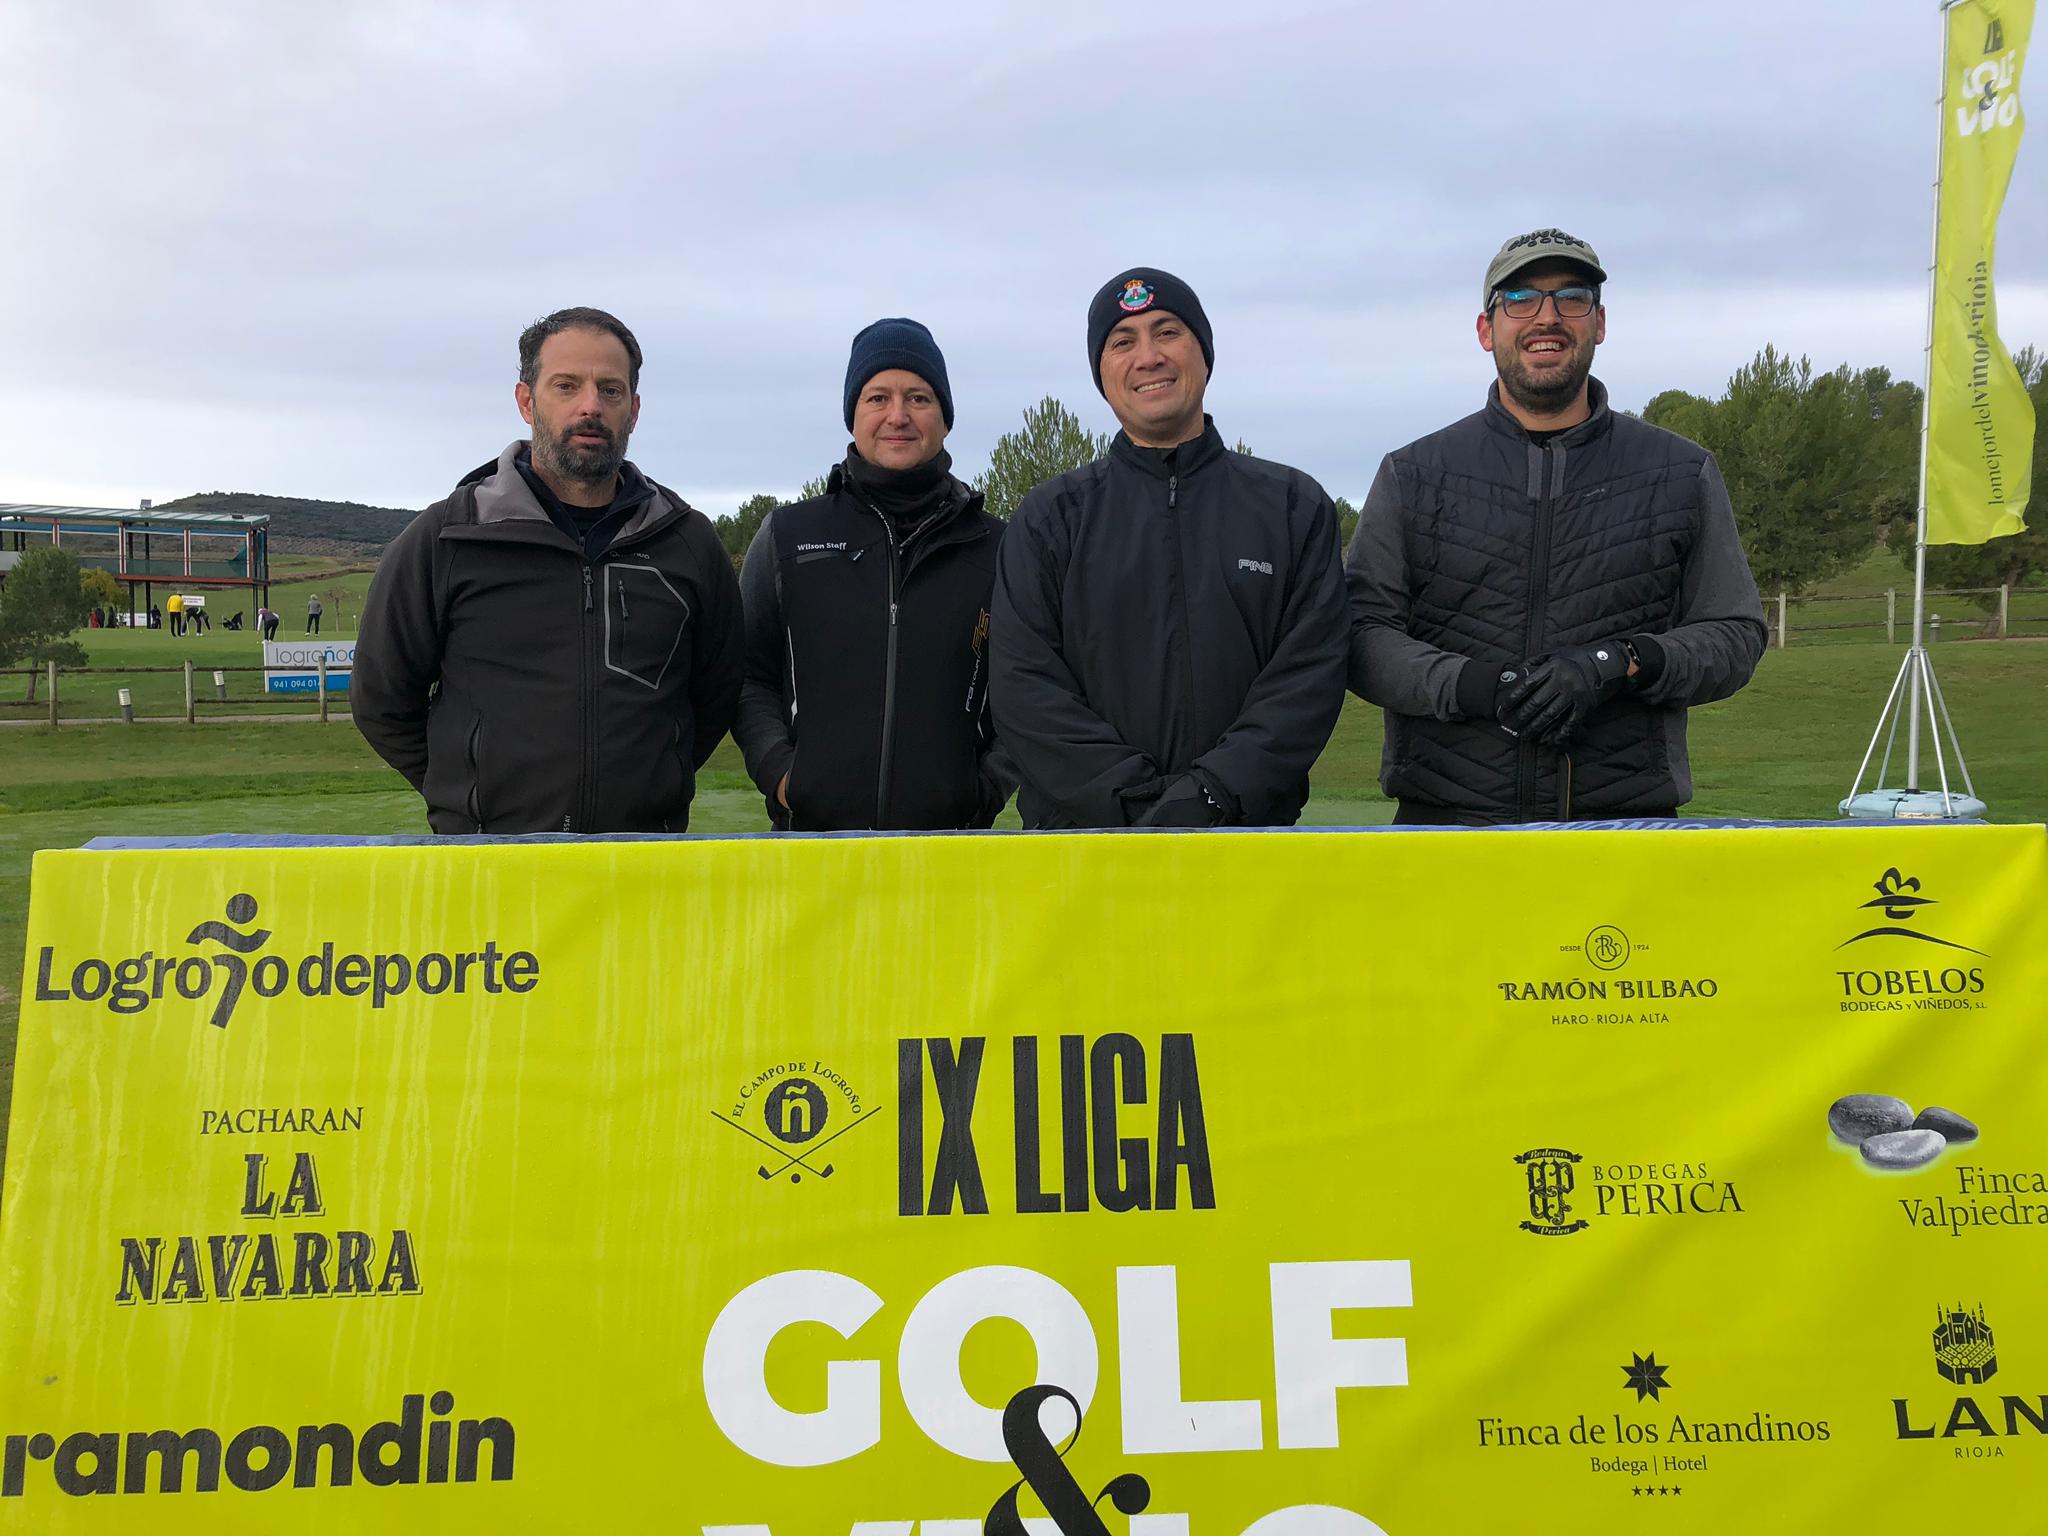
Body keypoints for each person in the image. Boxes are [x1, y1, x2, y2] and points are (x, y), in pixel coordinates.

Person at [1346, 229, 1767, 825]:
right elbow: (1362, 636)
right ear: (1487, 328)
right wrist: (1477, 686)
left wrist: (1619, 662)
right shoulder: (1413, 474)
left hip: (1626, 831)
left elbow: (1734, 635)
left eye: (1571, 297)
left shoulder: (1680, 471)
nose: (1547, 317)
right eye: (1520, 298)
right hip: (1444, 828)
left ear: (1598, 323)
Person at [354, 306, 743, 834]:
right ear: (526, 401)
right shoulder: (448, 537)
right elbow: (381, 698)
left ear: (634, 409)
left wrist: (656, 783)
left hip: (647, 860)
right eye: (566, 386)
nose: (591, 406)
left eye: (611, 390)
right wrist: (467, 790)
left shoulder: (687, 541)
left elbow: (716, 693)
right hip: (489, 865)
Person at [991, 267, 1348, 828]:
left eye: (1168, 332)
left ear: (1203, 354)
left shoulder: (1293, 506)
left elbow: (1308, 676)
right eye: (1122, 341)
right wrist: (1133, 801)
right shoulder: (1048, 518)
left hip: (1248, 841)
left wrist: (1214, 793)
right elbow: (1024, 686)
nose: (1148, 356)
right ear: (1102, 373)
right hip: (1086, 847)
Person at [735, 319, 1010, 830]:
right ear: (853, 416)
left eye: (919, 398)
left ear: (945, 418)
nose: (898, 416)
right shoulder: (787, 537)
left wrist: (982, 790)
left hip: (953, 852)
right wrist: (781, 774)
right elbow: (748, 674)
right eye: (877, 397)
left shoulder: (1000, 547)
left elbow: (1026, 687)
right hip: (811, 848)